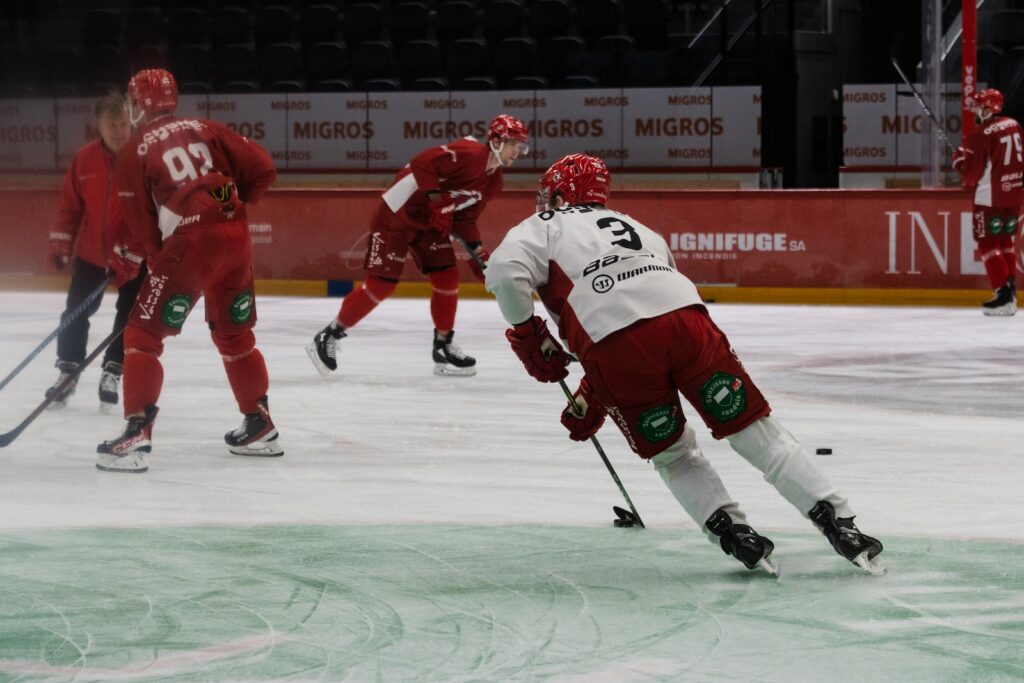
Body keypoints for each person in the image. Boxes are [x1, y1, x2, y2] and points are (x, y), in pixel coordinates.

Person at [485, 153, 885, 575]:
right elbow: (651, 309)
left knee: (673, 454)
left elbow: (504, 273)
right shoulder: (640, 229)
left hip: (614, 349)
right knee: (753, 429)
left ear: (561, 193)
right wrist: (593, 392)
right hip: (689, 324)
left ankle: (735, 534)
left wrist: (530, 335)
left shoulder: (542, 226)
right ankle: (840, 523)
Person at [96, 68, 281, 473]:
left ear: (135, 104)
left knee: (143, 334)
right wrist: (231, 210)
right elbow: (264, 167)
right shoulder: (207, 127)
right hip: (235, 233)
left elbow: (141, 221)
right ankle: (259, 424)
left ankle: (136, 433)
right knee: (234, 333)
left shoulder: (134, 149)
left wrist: (156, 254)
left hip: (193, 240)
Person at [306, 114, 530, 378]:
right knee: (382, 285)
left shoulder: (494, 181)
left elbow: (465, 218)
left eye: (521, 145)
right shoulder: (470, 153)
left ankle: (443, 346)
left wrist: (478, 252)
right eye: (513, 143)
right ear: (495, 140)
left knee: (447, 276)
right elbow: (422, 163)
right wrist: (436, 199)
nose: (518, 151)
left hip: (429, 222)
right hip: (397, 214)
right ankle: (328, 335)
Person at [45, 92, 146, 412]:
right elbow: (70, 208)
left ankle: (113, 371)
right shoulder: (84, 159)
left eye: (121, 123)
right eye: (110, 124)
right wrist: (62, 240)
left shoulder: (144, 158)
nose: (117, 130)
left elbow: (151, 213)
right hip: (91, 255)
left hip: (133, 256)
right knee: (75, 312)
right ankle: (68, 371)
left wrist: (132, 251)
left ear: (130, 123)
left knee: (127, 317)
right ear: (98, 127)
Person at [952, 88, 1024, 316]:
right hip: (1014, 194)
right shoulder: (1015, 125)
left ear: (986, 108)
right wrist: (970, 155)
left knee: (987, 245)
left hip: (989, 197)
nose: (974, 111)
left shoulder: (980, 134)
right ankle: (1011, 293)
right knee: (1005, 242)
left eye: (977, 106)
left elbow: (971, 177)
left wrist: (960, 162)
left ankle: (1002, 295)